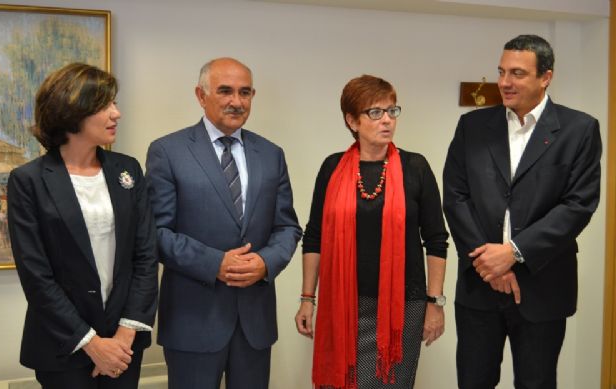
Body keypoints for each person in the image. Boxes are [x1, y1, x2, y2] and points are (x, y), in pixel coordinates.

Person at [443, 34, 602, 389]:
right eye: (501, 72)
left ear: (546, 77)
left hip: (542, 287)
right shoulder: (473, 126)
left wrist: (513, 253)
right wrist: (489, 261)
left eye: (517, 73)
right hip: (479, 285)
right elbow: (455, 196)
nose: (504, 83)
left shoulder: (579, 130)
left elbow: (578, 205)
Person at [145, 57, 302, 389]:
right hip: (193, 320)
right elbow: (156, 233)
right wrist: (215, 263)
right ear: (201, 96)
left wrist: (265, 261)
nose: (236, 101)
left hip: (254, 324)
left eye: (245, 92)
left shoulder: (271, 154)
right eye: (225, 91)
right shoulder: (168, 151)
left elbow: (287, 227)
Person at [7, 63, 159, 389]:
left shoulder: (127, 170)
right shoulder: (28, 181)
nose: (116, 113)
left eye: (114, 103)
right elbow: (36, 276)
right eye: (105, 105)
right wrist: (92, 344)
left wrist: (124, 334)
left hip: (124, 344)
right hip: (63, 345)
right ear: (72, 110)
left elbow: (145, 256)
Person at [295, 75, 449, 389]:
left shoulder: (415, 167)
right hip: (343, 304)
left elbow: (436, 240)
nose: (387, 120)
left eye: (392, 111)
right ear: (352, 120)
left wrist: (435, 303)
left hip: (402, 308)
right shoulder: (332, 168)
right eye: (375, 113)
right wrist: (307, 298)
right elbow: (314, 236)